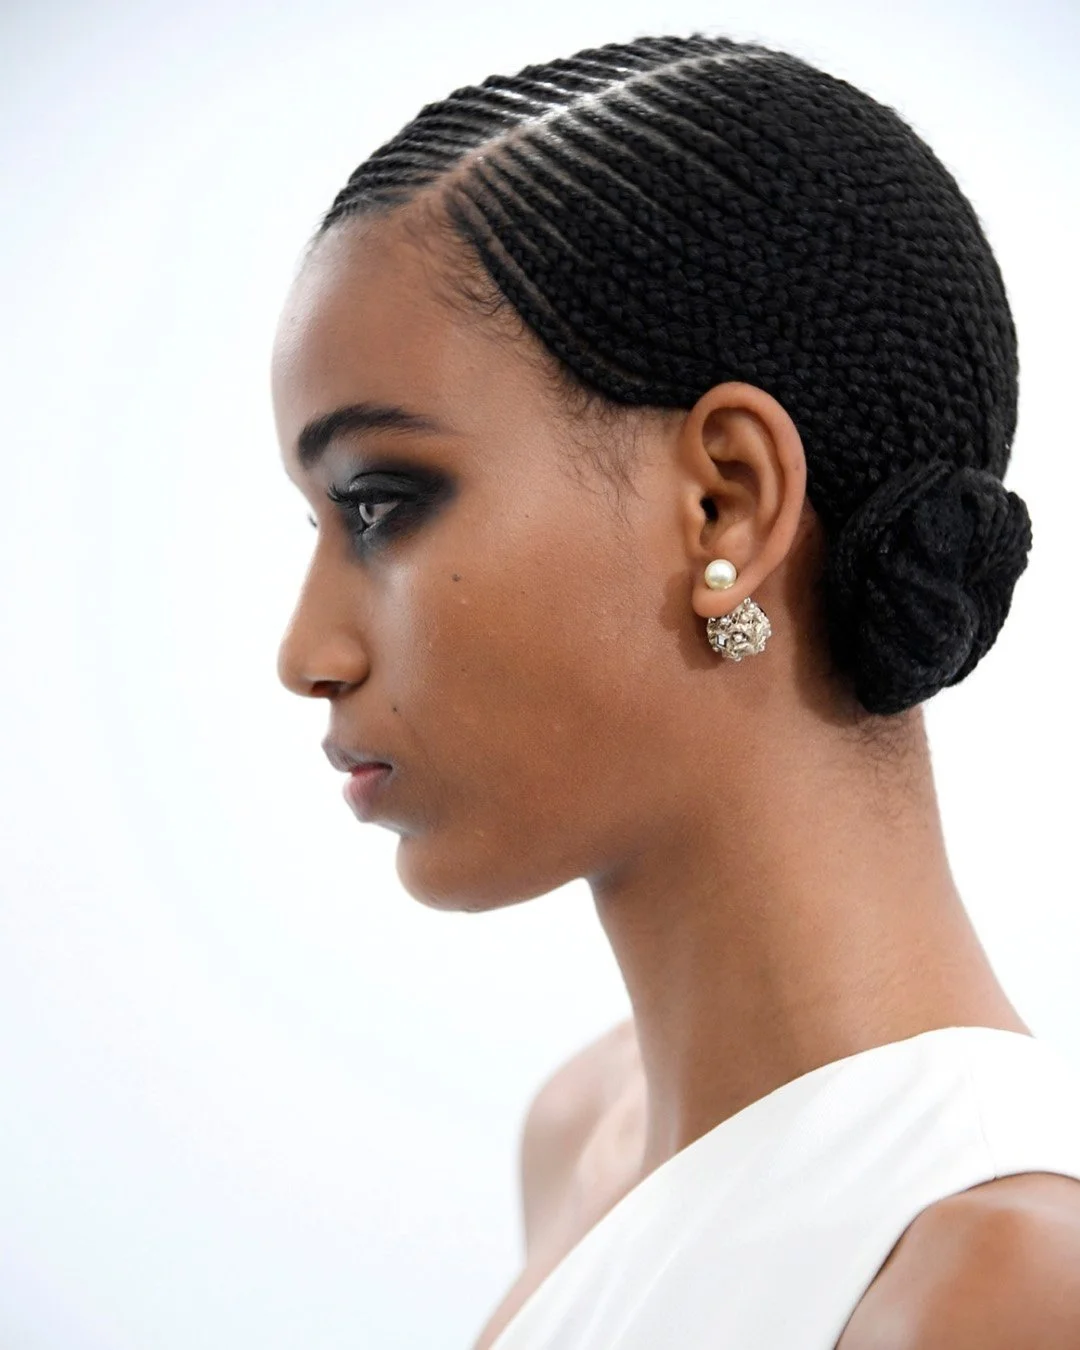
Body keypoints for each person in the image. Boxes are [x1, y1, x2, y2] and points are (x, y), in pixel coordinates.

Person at [270, 31, 1080, 1349]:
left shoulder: (1003, 1283)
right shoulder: (581, 1130)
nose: (308, 650)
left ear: (727, 502)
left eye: (379, 502)